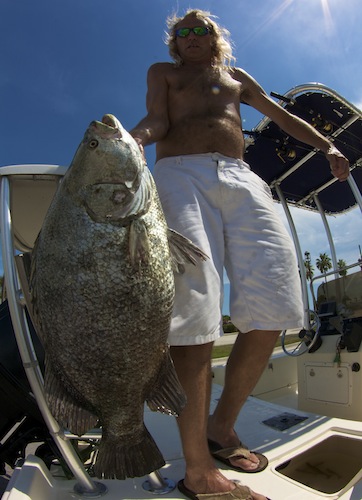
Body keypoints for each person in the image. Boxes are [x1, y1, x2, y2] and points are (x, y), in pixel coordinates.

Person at [130, 9, 349, 500]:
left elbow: (281, 115)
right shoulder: (163, 74)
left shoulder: (236, 77)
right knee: (195, 298)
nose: (190, 37)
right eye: (181, 32)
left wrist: (328, 145)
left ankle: (221, 426)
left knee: (276, 297)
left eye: (199, 29)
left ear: (214, 38)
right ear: (174, 43)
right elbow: (157, 119)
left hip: (242, 178)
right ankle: (198, 468)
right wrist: (129, 140)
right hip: (179, 175)